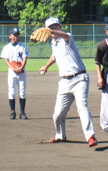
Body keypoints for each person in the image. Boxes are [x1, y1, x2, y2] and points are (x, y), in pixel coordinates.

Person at [39, 17, 97, 147]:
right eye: (51, 27)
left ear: (59, 27)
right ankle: (60, 135)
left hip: (79, 78)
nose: (54, 28)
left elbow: (64, 35)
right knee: (58, 114)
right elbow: (54, 56)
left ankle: (90, 136)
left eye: (56, 26)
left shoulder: (67, 37)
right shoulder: (53, 43)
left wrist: (51, 32)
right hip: (64, 82)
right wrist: (46, 66)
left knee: (82, 106)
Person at [0, 28, 29, 120]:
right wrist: (13, 68)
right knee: (12, 91)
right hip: (12, 73)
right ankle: (13, 112)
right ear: (10, 36)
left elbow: (25, 58)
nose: (16, 36)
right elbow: (6, 60)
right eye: (14, 35)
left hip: (21, 72)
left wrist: (21, 68)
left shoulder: (22, 46)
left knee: (22, 91)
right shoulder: (6, 48)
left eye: (17, 35)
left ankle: (22, 112)